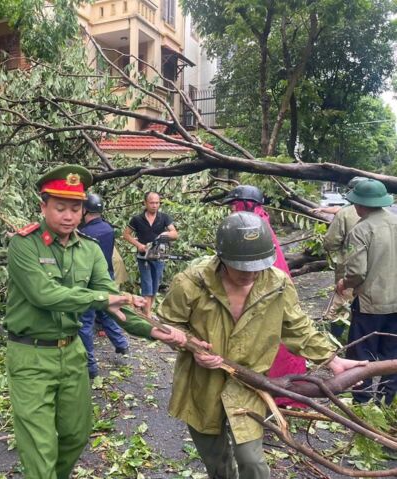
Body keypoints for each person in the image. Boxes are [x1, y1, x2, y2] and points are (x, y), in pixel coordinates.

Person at [4, 165, 187, 479]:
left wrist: (156, 330)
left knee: (76, 434)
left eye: (75, 209)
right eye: (60, 208)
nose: (68, 216)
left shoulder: (88, 249)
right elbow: (45, 295)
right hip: (30, 356)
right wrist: (105, 300)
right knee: (39, 444)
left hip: (72, 354)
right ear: (43, 206)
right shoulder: (24, 245)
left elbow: (112, 299)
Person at [158, 211, 367, 479]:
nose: (251, 273)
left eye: (258, 265)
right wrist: (192, 345)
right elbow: (167, 323)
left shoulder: (276, 284)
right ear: (221, 258)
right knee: (216, 463)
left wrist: (333, 360)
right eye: (241, 266)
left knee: (252, 461)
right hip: (201, 384)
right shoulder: (191, 282)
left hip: (249, 384)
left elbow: (297, 328)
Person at [222, 185, 306, 409]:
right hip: (267, 289)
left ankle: (274, 395)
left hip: (265, 293)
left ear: (245, 204)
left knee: (269, 345)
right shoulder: (257, 221)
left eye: (234, 204)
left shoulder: (254, 228)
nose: (232, 209)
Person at [336, 179, 397, 405]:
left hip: (370, 304)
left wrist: (344, 282)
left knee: (362, 354)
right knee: (393, 354)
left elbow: (357, 272)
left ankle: (362, 403)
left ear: (360, 205)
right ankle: (388, 400)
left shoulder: (361, 230)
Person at [78, 193, 130, 379]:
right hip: (106, 275)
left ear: (85, 210)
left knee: (85, 321)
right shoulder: (108, 228)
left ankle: (90, 366)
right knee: (109, 310)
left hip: (90, 278)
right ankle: (122, 344)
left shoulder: (84, 233)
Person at [322, 177, 367, 336]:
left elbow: (330, 243)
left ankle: (336, 340)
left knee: (342, 302)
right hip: (378, 270)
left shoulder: (345, 213)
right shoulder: (389, 214)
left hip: (349, 266)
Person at [123, 191, 178, 316]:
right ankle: (147, 315)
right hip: (144, 256)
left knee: (155, 284)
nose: (155, 205)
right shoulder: (137, 219)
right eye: (152, 203)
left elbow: (175, 234)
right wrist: (139, 245)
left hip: (159, 255)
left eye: (157, 203)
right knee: (147, 283)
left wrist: (166, 234)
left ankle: (148, 310)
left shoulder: (164, 217)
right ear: (145, 203)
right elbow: (126, 235)